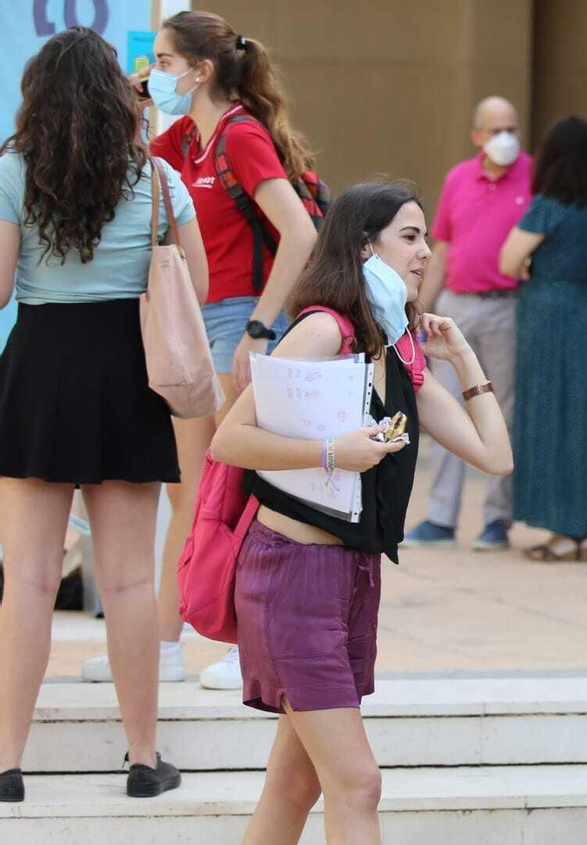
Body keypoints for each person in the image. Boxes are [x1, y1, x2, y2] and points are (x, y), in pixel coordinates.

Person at [204, 181, 511, 845]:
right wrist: (332, 450)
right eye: (410, 238)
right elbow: (231, 438)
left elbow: (495, 453)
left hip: (346, 580)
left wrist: (462, 361)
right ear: (364, 246)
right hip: (289, 573)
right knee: (357, 783)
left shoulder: (402, 351)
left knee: (294, 785)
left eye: (424, 238)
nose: (424, 252)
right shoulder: (326, 331)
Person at [0, 28, 208, 803]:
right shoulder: (157, 179)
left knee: (25, 580)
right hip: (129, 374)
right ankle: (144, 759)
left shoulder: (13, 173)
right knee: (126, 584)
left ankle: (6, 764)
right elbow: (201, 280)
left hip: (40, 369)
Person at [98, 11, 319, 692]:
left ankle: (241, 640)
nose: (154, 73)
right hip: (192, 322)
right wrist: (131, 98)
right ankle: (163, 642)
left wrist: (258, 331)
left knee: (236, 489)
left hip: (238, 324)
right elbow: (120, 171)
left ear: (201, 70)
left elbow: (302, 234)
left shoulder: (241, 136)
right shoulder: (184, 138)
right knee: (190, 491)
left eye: (163, 63)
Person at [403, 96, 532, 551]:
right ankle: (440, 518)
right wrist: (420, 300)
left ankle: (496, 519)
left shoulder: (532, 176)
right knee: (443, 406)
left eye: (512, 128)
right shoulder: (458, 178)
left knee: (503, 408)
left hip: (507, 306)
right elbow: (440, 248)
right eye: (496, 130)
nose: (506, 138)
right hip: (456, 303)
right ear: (477, 135)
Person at [499, 116, 587, 560]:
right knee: (581, 415)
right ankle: (580, 529)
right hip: (585, 310)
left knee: (547, 413)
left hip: (546, 310)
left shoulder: (547, 205)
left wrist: (530, 267)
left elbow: (509, 260)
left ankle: (562, 531)